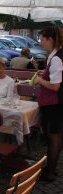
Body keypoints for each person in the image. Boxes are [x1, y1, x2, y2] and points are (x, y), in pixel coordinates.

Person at [35, 27, 63, 181]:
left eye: (42, 39)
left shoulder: (57, 58)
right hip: (58, 103)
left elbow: (55, 86)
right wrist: (44, 75)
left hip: (54, 104)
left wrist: (40, 80)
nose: (40, 43)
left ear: (50, 39)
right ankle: (52, 168)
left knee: (53, 137)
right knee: (57, 136)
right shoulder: (58, 55)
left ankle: (50, 172)